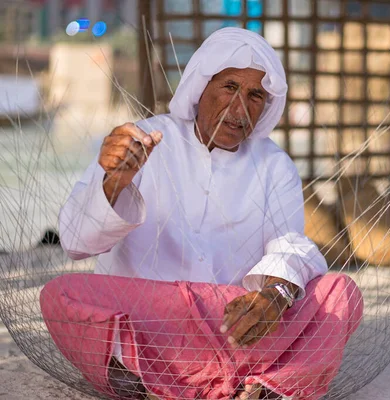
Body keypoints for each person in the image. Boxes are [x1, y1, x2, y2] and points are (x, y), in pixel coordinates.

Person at [40, 27, 363, 400]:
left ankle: (226, 388)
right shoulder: (141, 140)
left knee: (342, 294)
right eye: (230, 87)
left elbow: (289, 245)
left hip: (234, 325)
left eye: (255, 95)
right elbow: (77, 242)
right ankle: (235, 384)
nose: (240, 108)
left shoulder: (275, 165)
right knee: (61, 295)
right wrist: (114, 182)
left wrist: (274, 296)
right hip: (151, 323)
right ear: (201, 86)